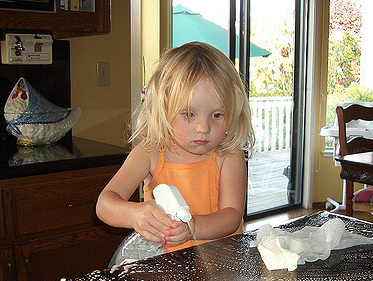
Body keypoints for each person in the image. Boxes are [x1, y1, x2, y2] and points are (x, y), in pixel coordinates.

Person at [96, 42, 255, 253]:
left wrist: (193, 227)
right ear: (164, 109)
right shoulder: (149, 153)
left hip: (222, 262)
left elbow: (232, 215)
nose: (203, 128)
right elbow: (105, 204)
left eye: (217, 115)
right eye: (189, 114)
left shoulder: (228, 155)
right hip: (168, 266)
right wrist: (134, 214)